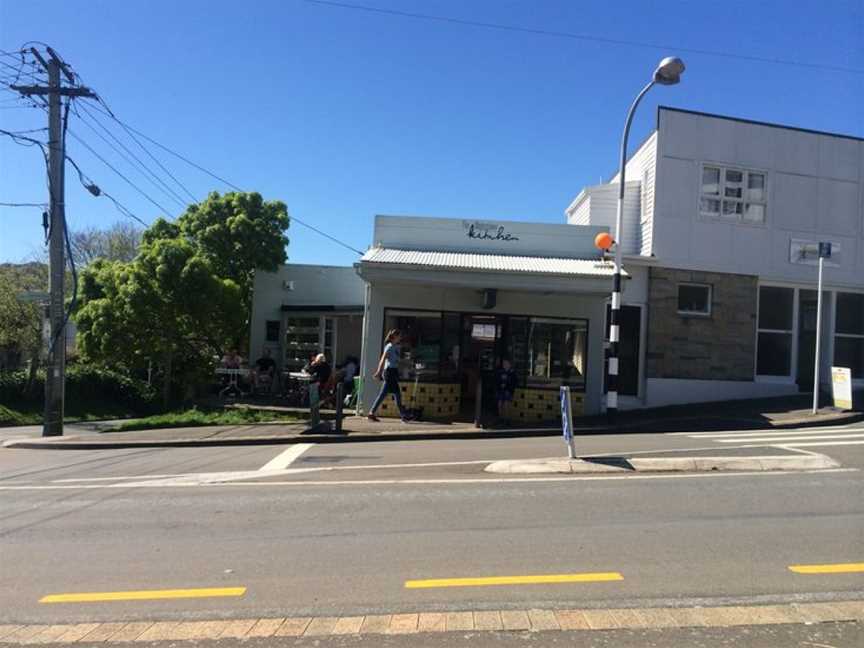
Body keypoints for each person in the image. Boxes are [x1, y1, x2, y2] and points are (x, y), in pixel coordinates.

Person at [368, 329, 410, 422]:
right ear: (394, 336)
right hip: (389, 372)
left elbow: (396, 360)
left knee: (386, 394)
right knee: (396, 394)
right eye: (399, 336)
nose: (400, 338)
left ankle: (371, 413)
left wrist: (405, 363)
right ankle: (403, 415)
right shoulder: (389, 346)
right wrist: (379, 372)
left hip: (393, 372)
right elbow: (383, 359)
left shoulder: (395, 347)